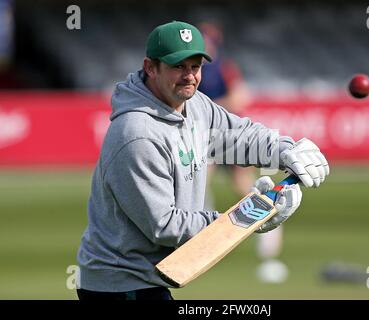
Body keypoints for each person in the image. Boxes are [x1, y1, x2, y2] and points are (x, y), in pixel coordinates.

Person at [76, 20, 330, 300]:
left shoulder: (195, 104)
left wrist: (285, 151)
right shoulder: (137, 134)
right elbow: (165, 225)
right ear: (150, 67)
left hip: (148, 279)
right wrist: (246, 219)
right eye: (178, 66)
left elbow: (239, 136)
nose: (189, 76)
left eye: (195, 66)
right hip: (119, 285)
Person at [197, 21, 289, 283]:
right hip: (202, 138)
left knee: (245, 188)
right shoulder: (191, 70)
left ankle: (268, 231)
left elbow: (239, 98)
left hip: (228, 135)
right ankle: (202, 236)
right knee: (198, 184)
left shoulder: (224, 69)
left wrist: (205, 107)